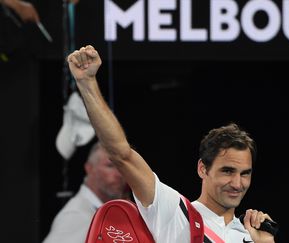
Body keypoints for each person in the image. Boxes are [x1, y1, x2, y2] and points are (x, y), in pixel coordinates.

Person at [66, 45, 276, 243]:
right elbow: (121, 154)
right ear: (203, 169)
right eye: (228, 171)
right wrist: (88, 83)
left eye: (245, 173)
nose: (237, 183)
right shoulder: (172, 212)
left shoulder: (251, 236)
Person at [43, 141, 128, 243]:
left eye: (122, 167)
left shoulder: (97, 211)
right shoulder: (76, 214)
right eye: (110, 166)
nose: (119, 174)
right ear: (90, 168)